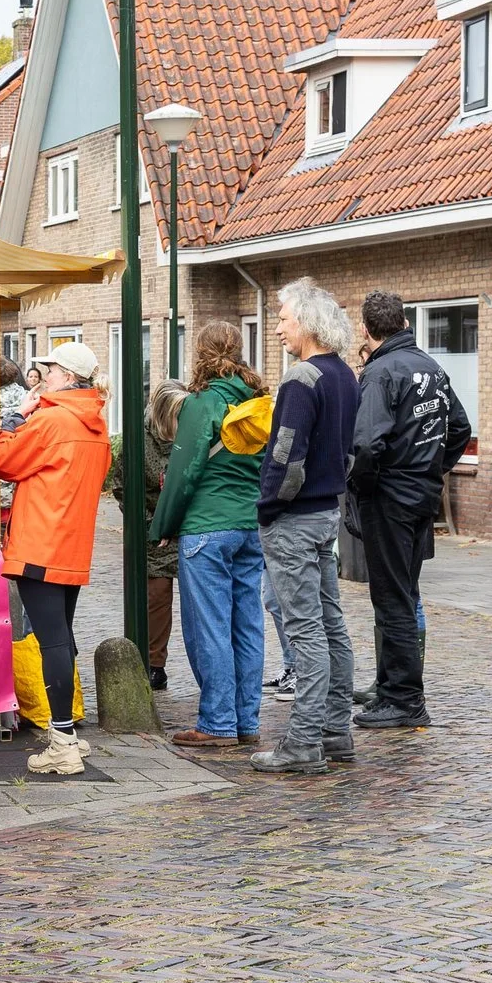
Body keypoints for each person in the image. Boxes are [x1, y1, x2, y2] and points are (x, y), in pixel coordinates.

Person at [250, 279, 363, 775]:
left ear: (309, 324)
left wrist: (268, 506)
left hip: (295, 518)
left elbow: (285, 456)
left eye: (283, 319)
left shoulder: (302, 378)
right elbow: (349, 451)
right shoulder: (346, 377)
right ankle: (337, 730)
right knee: (331, 625)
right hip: (326, 513)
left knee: (304, 632)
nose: (277, 328)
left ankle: (303, 742)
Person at [350, 290, 472, 733]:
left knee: (393, 597)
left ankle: (403, 699)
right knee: (405, 591)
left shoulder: (380, 373)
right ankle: (390, 687)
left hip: (389, 497)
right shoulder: (431, 369)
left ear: (366, 329)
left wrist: (364, 485)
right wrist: (433, 468)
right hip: (422, 494)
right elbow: (459, 427)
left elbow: (365, 443)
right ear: (402, 321)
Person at [0, 340, 111, 777]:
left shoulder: (51, 419)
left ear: (63, 375)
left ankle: (62, 740)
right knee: (62, 637)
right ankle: (69, 735)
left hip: (40, 543)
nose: (41, 377)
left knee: (52, 641)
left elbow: (2, 461)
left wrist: (14, 418)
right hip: (71, 544)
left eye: (47, 370)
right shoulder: (95, 422)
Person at [151, 321, 269, 748]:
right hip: (249, 525)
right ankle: (246, 721)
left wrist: (164, 525)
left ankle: (217, 722)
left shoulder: (204, 403)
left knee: (210, 627)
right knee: (247, 625)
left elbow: (184, 472)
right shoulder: (259, 401)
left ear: (200, 355)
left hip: (207, 525)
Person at [109, 383, 185, 692]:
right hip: (154, 529)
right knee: (157, 594)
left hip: (190, 523)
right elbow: (124, 488)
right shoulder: (138, 440)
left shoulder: (193, 433)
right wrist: (153, 526)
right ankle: (154, 663)